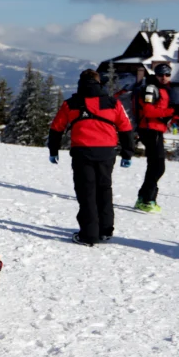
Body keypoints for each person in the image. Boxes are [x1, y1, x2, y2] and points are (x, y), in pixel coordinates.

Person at [48, 69, 135, 246]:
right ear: (98, 82)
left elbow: (56, 128)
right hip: (107, 152)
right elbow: (126, 128)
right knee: (104, 189)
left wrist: (53, 150)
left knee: (87, 192)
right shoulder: (112, 102)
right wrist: (127, 153)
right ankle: (105, 230)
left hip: (83, 152)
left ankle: (89, 234)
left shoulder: (71, 103)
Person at [134, 62, 177, 213]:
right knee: (158, 166)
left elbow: (164, 110)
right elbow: (148, 111)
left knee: (155, 166)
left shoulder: (165, 89)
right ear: (156, 75)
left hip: (156, 129)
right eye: (161, 74)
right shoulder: (151, 89)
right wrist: (170, 112)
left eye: (167, 74)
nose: (164, 77)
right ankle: (147, 199)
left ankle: (144, 197)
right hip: (149, 129)